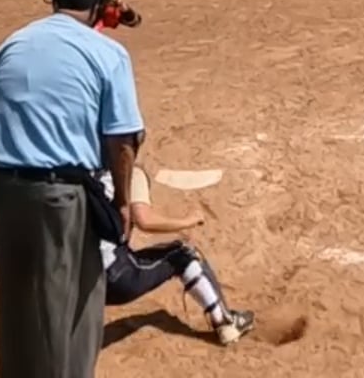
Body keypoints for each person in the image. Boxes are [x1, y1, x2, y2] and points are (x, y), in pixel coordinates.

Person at [0, 0, 145, 378]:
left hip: (1, 191)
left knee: (41, 305)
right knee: (53, 316)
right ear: (97, 7)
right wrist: (122, 200)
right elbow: (122, 139)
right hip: (58, 200)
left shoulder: (13, 42)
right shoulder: (107, 52)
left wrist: (5, 174)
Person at [100, 140, 255, 345]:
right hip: (113, 278)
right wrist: (189, 220)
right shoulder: (128, 172)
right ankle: (226, 322)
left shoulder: (76, 177)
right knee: (183, 253)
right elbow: (144, 220)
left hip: (71, 282)